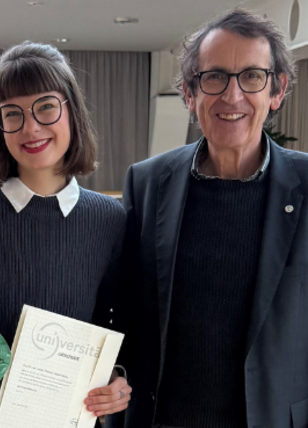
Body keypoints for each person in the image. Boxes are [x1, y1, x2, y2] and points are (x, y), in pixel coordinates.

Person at [0, 41, 131, 428]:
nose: (31, 127)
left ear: (72, 111)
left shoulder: (108, 219)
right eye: (12, 113)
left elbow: (115, 323)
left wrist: (119, 379)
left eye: (46, 107)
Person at [114, 9, 304, 428]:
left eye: (252, 76)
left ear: (277, 90)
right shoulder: (147, 182)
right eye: (214, 77)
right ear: (189, 92)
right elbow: (124, 308)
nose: (232, 96)